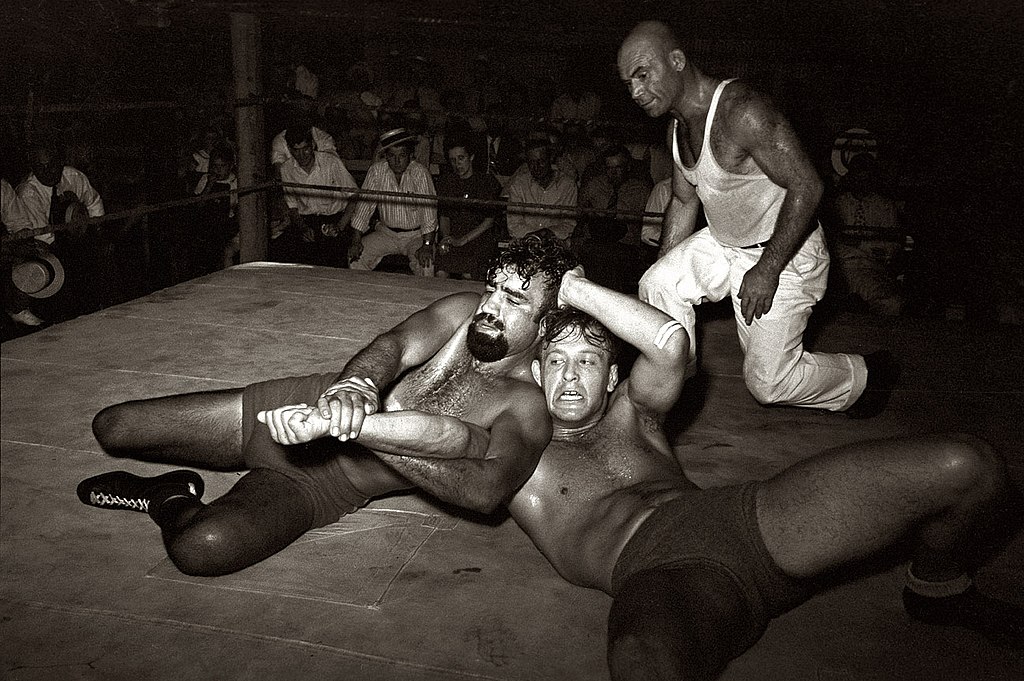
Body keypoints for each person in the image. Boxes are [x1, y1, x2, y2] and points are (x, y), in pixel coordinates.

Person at [509, 266, 1024, 680]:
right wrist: (515, 303)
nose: (571, 376)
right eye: (557, 362)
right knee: (643, 661)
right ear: (536, 372)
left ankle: (937, 590)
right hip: (654, 572)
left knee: (970, 466)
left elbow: (669, 344)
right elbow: (444, 383)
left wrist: (573, 289)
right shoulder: (516, 444)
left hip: (750, 520)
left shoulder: (633, 412)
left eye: (588, 361)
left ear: (612, 375)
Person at [77, 235, 576, 578]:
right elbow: (397, 344)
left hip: (323, 484)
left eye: (514, 300)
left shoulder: (525, 406)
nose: (491, 306)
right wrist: (354, 387)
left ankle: (168, 495)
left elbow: (486, 491)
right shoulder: (464, 311)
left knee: (199, 547)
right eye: (494, 288)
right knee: (113, 427)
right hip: (294, 404)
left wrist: (356, 430)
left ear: (547, 322)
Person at [619, 21, 895, 416]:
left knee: (768, 383)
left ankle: (865, 376)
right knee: (658, 283)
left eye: (643, 75)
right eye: (628, 83)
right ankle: (676, 378)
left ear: (676, 60)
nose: (636, 92)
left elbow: (808, 187)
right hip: (724, 243)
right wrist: (665, 266)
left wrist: (767, 269)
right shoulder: (676, 130)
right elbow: (682, 204)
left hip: (785, 252)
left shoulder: (743, 110)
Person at [16, 134, 105, 321]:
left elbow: (94, 202)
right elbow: (45, 238)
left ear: (60, 161)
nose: (48, 171)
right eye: (42, 167)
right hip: (50, 249)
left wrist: (96, 232)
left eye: (52, 164)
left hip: (82, 238)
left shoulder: (73, 177)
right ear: (33, 168)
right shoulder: (29, 193)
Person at [348, 127, 439, 275]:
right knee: (356, 257)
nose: (397, 161)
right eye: (391, 155)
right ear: (386, 156)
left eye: (402, 155)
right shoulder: (376, 171)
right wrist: (356, 240)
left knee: (426, 264)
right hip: (386, 233)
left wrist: (427, 245)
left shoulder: (420, 173)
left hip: (416, 236)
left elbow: (429, 213)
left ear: (410, 155)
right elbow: (364, 208)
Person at [827, 153, 907, 317]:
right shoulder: (837, 204)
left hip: (871, 269)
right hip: (841, 269)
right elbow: (832, 241)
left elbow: (894, 243)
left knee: (892, 304)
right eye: (857, 174)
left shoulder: (884, 206)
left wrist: (869, 248)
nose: (861, 181)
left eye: (866, 175)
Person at [277, 124, 359, 267]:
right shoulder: (286, 169)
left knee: (334, 256)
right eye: (296, 151)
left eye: (306, 149)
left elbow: (354, 195)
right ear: (290, 150)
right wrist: (303, 228)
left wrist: (339, 226)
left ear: (313, 145)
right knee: (283, 252)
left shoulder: (330, 162)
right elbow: (292, 206)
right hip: (307, 221)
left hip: (336, 218)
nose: (302, 155)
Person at [434, 140, 503, 280]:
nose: (457, 164)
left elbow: (489, 221)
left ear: (471, 157)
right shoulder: (447, 183)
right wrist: (447, 238)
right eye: (453, 160)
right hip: (455, 237)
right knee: (441, 269)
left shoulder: (486, 182)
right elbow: (444, 217)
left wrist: (463, 240)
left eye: (461, 158)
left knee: (468, 272)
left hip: (479, 237)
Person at [505, 139, 578, 243]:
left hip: (555, 243)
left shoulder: (567, 185)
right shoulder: (519, 184)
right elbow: (514, 224)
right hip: (526, 243)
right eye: (532, 162)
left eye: (541, 161)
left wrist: (548, 233)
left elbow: (569, 224)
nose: (536, 167)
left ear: (550, 159)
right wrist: (536, 236)